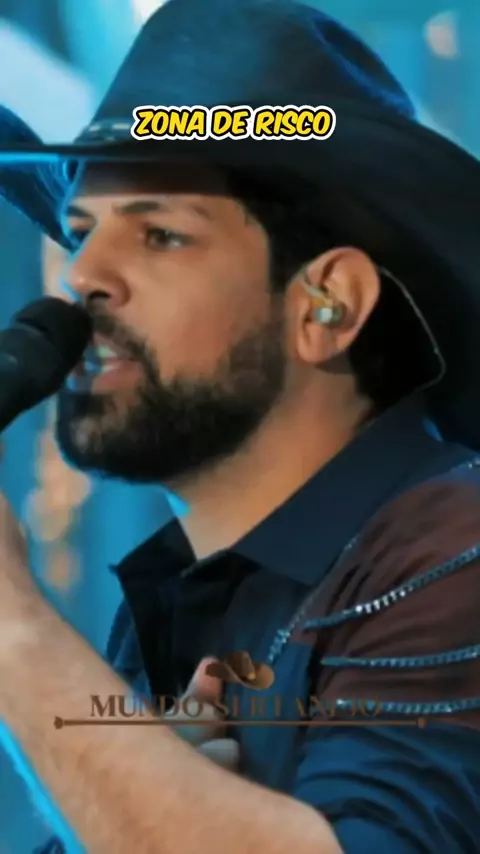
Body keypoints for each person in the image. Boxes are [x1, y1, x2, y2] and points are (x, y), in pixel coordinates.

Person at [0, 1, 479, 852]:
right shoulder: (189, 594)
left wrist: (14, 629)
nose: (81, 276)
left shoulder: (459, 550)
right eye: (80, 232)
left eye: (160, 235)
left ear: (329, 306)